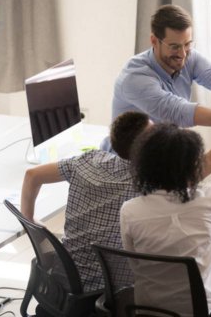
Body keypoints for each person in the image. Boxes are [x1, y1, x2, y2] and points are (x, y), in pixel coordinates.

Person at [120, 115, 211, 317]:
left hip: (148, 311)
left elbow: (136, 263)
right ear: (191, 167)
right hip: (202, 312)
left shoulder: (130, 211)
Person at [20, 111, 151, 292]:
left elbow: (32, 175)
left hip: (63, 283)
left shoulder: (89, 160)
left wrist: (29, 222)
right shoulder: (146, 183)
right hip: (108, 294)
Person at [111, 4, 211, 127]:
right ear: (154, 41)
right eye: (174, 46)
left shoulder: (189, 57)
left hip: (160, 150)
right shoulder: (135, 78)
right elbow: (179, 112)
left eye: (187, 44)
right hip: (128, 158)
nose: (183, 54)